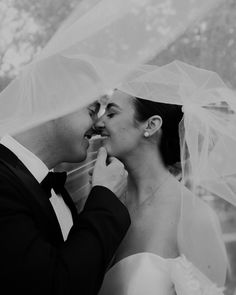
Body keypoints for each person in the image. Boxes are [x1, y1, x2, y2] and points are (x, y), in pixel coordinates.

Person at [90, 60, 236, 295]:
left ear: (151, 125)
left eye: (112, 113)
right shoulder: (101, 204)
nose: (98, 123)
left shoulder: (195, 216)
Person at [0, 99, 130, 295]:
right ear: (54, 103)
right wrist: (106, 197)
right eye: (91, 111)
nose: (97, 124)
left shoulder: (57, 190)